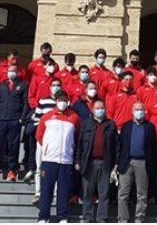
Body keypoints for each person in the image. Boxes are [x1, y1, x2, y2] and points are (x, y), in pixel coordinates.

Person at [37, 91, 80, 224]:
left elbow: (77, 136)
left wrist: (71, 149)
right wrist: (48, 148)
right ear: (56, 101)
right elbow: (39, 135)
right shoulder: (47, 117)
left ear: (68, 102)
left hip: (66, 160)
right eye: (60, 99)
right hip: (49, 159)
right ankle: (43, 217)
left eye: (65, 100)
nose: (62, 102)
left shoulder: (74, 118)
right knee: (46, 190)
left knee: (63, 190)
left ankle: (62, 216)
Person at [75, 98, 117, 223]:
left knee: (103, 192)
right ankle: (87, 217)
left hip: (105, 162)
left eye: (102, 108)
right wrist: (77, 161)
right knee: (88, 191)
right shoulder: (86, 124)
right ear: (92, 110)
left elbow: (116, 146)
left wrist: (116, 164)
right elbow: (80, 144)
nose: (100, 110)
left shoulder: (111, 124)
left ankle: (101, 218)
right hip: (88, 162)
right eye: (97, 108)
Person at [117, 102, 157, 223]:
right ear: (132, 111)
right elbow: (121, 144)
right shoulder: (126, 126)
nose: (139, 111)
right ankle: (123, 219)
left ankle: (139, 218)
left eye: (141, 109)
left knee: (142, 193)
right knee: (123, 193)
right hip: (127, 162)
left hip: (143, 163)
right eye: (137, 109)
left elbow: (152, 147)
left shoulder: (150, 127)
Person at [0, 62, 29, 182]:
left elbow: (25, 103)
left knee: (13, 146)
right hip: (1, 120)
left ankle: (12, 171)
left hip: (14, 120)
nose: (11, 73)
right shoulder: (2, 86)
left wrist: (22, 117)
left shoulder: (22, 85)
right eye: (9, 71)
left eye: (14, 71)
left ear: (17, 73)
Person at [26, 84, 58, 196]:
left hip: (57, 142)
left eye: (58, 85)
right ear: (50, 87)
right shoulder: (43, 101)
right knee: (40, 166)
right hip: (43, 140)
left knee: (55, 169)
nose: (56, 87)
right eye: (54, 85)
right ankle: (38, 192)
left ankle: (55, 193)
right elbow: (37, 121)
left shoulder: (64, 104)